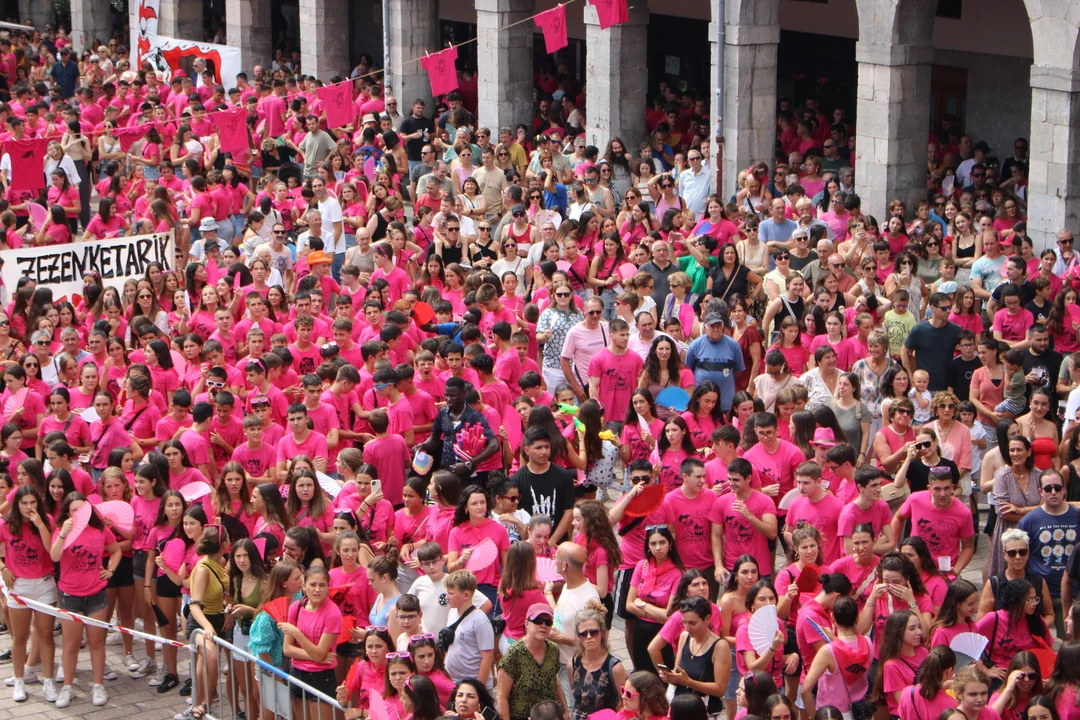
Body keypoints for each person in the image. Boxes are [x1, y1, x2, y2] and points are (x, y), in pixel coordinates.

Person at [1018, 469, 1079, 637]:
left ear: (1064, 489)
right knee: (1036, 639)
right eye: (1048, 488)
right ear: (1040, 491)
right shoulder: (1028, 521)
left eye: (1057, 488)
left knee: (1071, 640)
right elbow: (1019, 557)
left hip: (1073, 591)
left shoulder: (1077, 517)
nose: (1053, 492)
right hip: (1039, 592)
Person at [890, 464, 976, 575]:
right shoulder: (915, 499)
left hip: (943, 571)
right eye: (937, 489)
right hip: (914, 568)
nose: (942, 494)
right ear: (929, 488)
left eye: (946, 488)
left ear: (953, 487)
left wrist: (955, 571)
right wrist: (892, 545)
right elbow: (898, 518)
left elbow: (968, 547)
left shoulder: (963, 512)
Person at [800, 596, 872, 718]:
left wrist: (814, 716)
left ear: (833, 617)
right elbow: (848, 651)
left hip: (832, 714)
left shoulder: (828, 651)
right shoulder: (867, 642)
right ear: (857, 617)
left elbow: (805, 690)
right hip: (860, 711)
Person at [979, 528, 1056, 634]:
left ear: (1028, 553)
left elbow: (1049, 614)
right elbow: (982, 617)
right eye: (1012, 553)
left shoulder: (1038, 582)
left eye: (1022, 552)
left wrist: (1037, 628)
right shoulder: (994, 584)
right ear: (1004, 555)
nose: (1018, 557)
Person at [497, 603, 567, 720]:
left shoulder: (553, 650)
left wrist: (565, 711)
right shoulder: (513, 655)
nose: (543, 625)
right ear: (526, 624)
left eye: (548, 622)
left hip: (549, 715)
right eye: (538, 621)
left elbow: (555, 682)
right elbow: (502, 697)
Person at [569, 603, 626, 720]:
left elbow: (623, 703)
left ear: (602, 634)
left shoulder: (615, 667)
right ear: (578, 637)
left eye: (593, 632)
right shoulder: (573, 664)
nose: (589, 637)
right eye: (583, 634)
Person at [442, 569, 496, 687]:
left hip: (472, 684)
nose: (446, 597)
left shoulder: (480, 621)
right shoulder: (452, 612)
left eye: (451, 593)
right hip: (453, 681)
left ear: (465, 595)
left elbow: (487, 657)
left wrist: (479, 688)